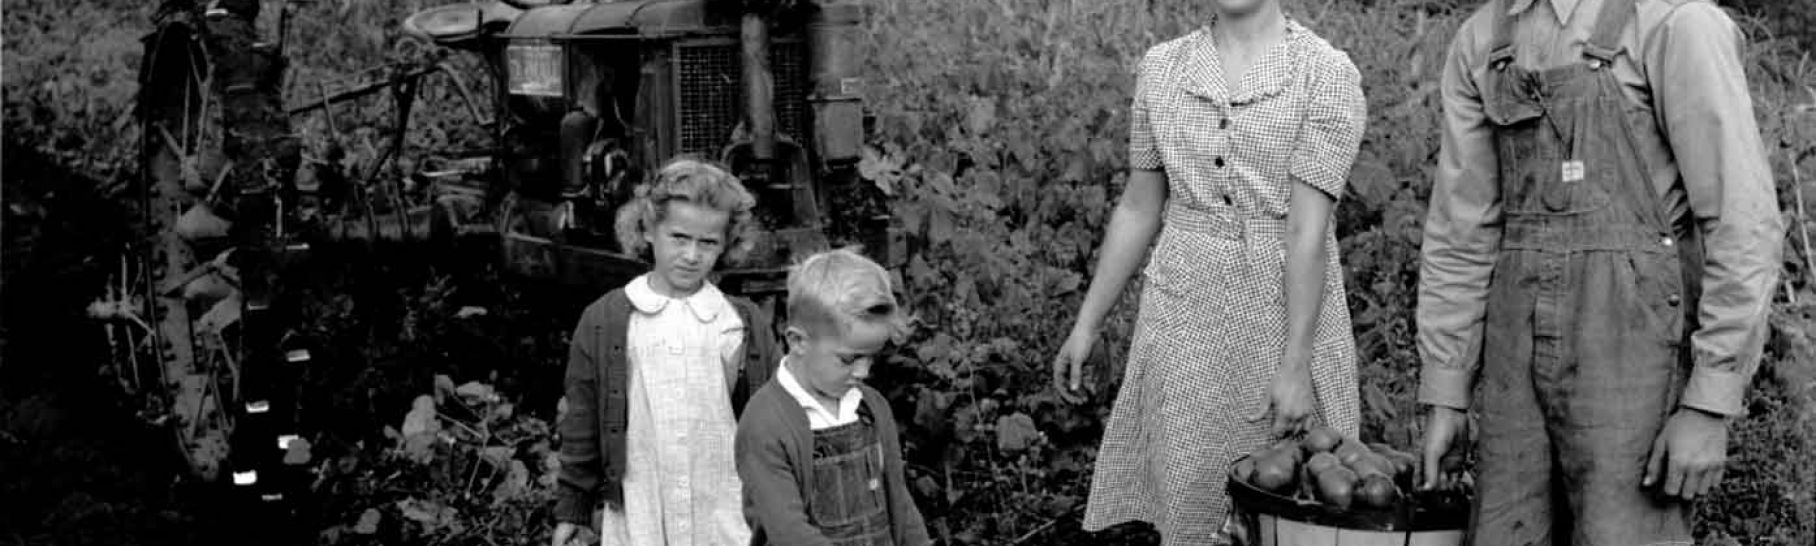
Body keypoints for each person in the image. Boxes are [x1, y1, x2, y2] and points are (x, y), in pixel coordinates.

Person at [1414, 0, 1784, 543]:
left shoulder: (1674, 23)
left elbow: (1742, 218)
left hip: (1632, 359)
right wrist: (1446, 391)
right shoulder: (1483, 40)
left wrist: (1710, 402)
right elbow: (1461, 232)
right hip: (1513, 370)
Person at [1049, 0, 1368, 542]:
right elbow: (1139, 205)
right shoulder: (1163, 67)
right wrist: (1087, 324)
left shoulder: (1324, 72)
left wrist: (1295, 366)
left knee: (1294, 507)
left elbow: (1306, 231)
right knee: (1190, 505)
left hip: (1282, 313)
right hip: (1186, 316)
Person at [552, 157, 783, 546]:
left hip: (723, 511)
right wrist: (573, 509)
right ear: (647, 230)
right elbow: (582, 423)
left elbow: (776, 420)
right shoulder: (605, 320)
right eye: (679, 237)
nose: (692, 255)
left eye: (707, 242)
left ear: (727, 244)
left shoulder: (741, 323)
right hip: (642, 509)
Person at [734, 247, 932, 546]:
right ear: (797, 341)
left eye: (871, 358)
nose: (863, 372)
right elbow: (789, 532)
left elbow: (899, 504)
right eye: (849, 359)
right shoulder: (766, 422)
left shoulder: (871, 408)